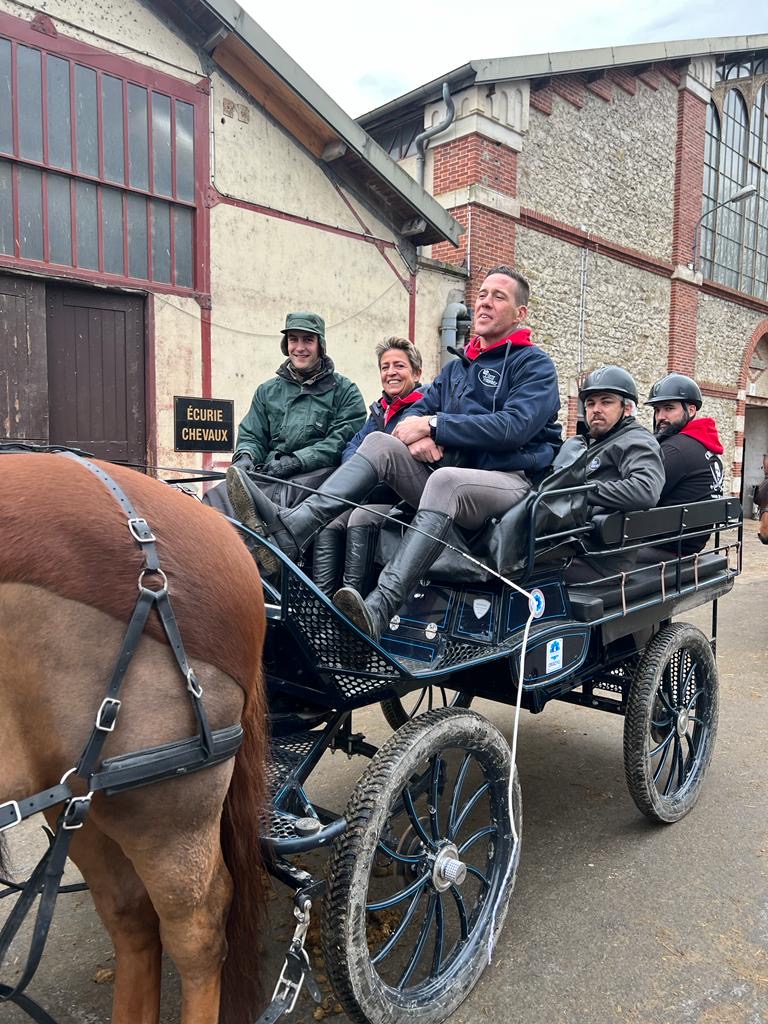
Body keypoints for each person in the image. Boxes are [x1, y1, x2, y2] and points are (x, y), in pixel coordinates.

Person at [227, 265, 562, 638]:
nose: (484, 302)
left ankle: (380, 607)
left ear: (520, 314)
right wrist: (417, 431)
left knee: (447, 481)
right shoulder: (457, 369)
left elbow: (514, 427)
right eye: (481, 294)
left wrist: (436, 426)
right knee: (379, 442)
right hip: (446, 477)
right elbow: (418, 408)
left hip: (508, 481)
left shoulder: (534, 364)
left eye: (498, 297)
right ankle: (295, 527)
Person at [204, 311, 366, 515]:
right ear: (285, 344)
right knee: (213, 501)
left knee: (279, 507)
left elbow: (340, 442)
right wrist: (245, 457)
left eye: (308, 340)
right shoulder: (267, 391)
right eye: (293, 339)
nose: (299, 348)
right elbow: (252, 435)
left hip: (317, 478)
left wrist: (297, 461)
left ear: (320, 345)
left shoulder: (346, 392)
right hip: (269, 474)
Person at [312, 337, 425, 596]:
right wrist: (361, 467)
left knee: (360, 517)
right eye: (385, 367)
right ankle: (321, 605)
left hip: (402, 498)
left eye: (399, 366)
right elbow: (353, 447)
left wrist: (365, 471)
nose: (390, 373)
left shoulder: (423, 405)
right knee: (328, 520)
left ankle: (354, 610)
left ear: (416, 373)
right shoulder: (379, 410)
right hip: (371, 492)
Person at [564, 366, 665, 584]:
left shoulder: (636, 441)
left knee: (517, 572)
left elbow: (645, 490)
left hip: (601, 560)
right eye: (590, 403)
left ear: (627, 409)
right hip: (575, 546)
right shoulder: (599, 442)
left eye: (606, 402)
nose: (596, 409)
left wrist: (579, 490)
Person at [642, 373, 724, 556]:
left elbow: (637, 496)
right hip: (687, 544)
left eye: (669, 408)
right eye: (657, 409)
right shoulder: (704, 445)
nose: (660, 416)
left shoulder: (676, 450)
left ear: (691, 410)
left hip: (663, 546)